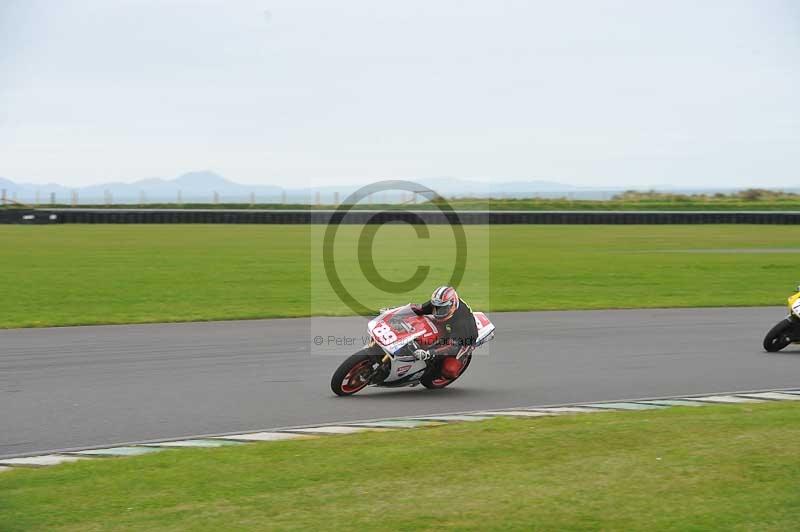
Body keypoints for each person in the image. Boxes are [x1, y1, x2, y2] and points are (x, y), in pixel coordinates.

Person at [410, 286, 478, 377]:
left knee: (449, 370)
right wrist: (393, 312)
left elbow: (452, 347)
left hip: (464, 340)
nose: (438, 311)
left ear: (452, 306)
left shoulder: (462, 322)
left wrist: (428, 353)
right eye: (436, 307)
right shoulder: (441, 303)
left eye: (442, 309)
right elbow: (418, 309)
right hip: (449, 325)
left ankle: (434, 372)